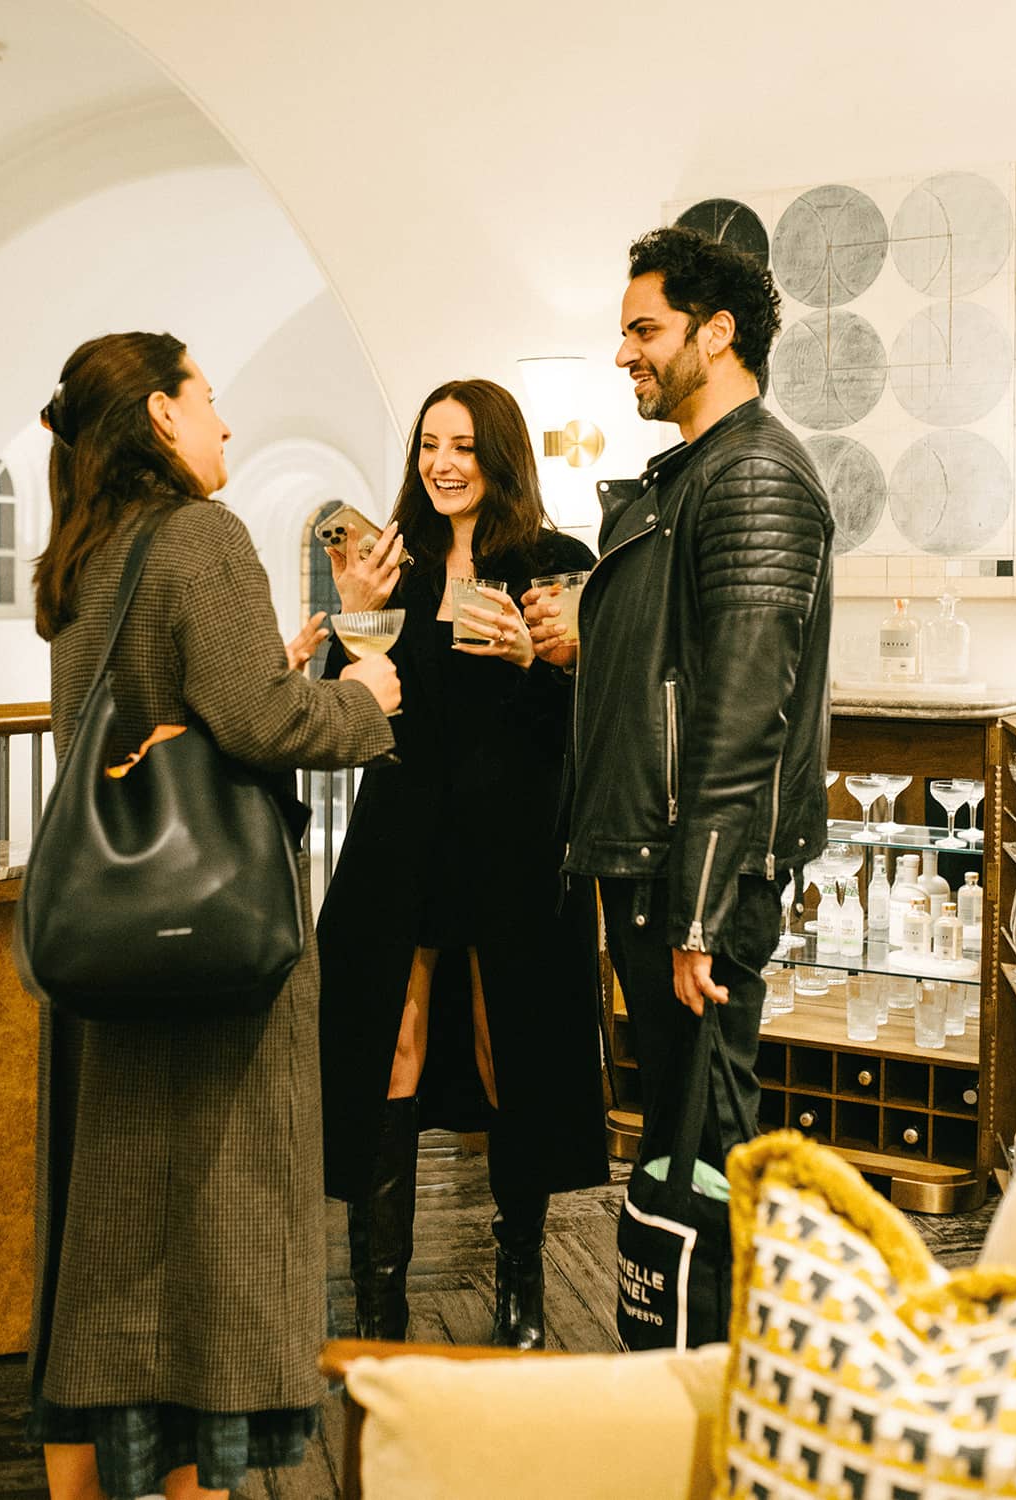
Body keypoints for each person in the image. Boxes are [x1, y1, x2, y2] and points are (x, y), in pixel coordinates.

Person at [27, 331, 400, 1500]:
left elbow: (170, 708)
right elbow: (261, 724)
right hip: (214, 953)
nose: (226, 421)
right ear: (159, 414)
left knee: (113, 1253)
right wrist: (363, 698)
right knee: (217, 1256)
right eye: (208, 397)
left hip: (115, 939)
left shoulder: (83, 553)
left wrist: (266, 672)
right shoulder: (202, 536)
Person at [526, 227, 833, 1190]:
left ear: (717, 332)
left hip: (692, 873)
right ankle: (687, 1293)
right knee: (677, 1136)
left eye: (645, 329)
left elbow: (745, 712)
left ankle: (728, 1297)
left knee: (709, 1144)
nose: (624, 352)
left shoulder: (753, 475)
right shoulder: (691, 471)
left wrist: (699, 914)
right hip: (655, 860)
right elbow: (681, 659)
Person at [316, 378, 608, 1351]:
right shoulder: (392, 568)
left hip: (511, 845)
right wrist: (353, 613)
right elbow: (349, 710)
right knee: (387, 1051)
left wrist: (538, 660)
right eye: (430, 445)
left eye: (464, 447)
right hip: (398, 839)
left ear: (500, 457)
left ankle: (520, 1277)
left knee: (505, 1045)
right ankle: (380, 1304)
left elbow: (584, 726)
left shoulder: (556, 566)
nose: (442, 464)